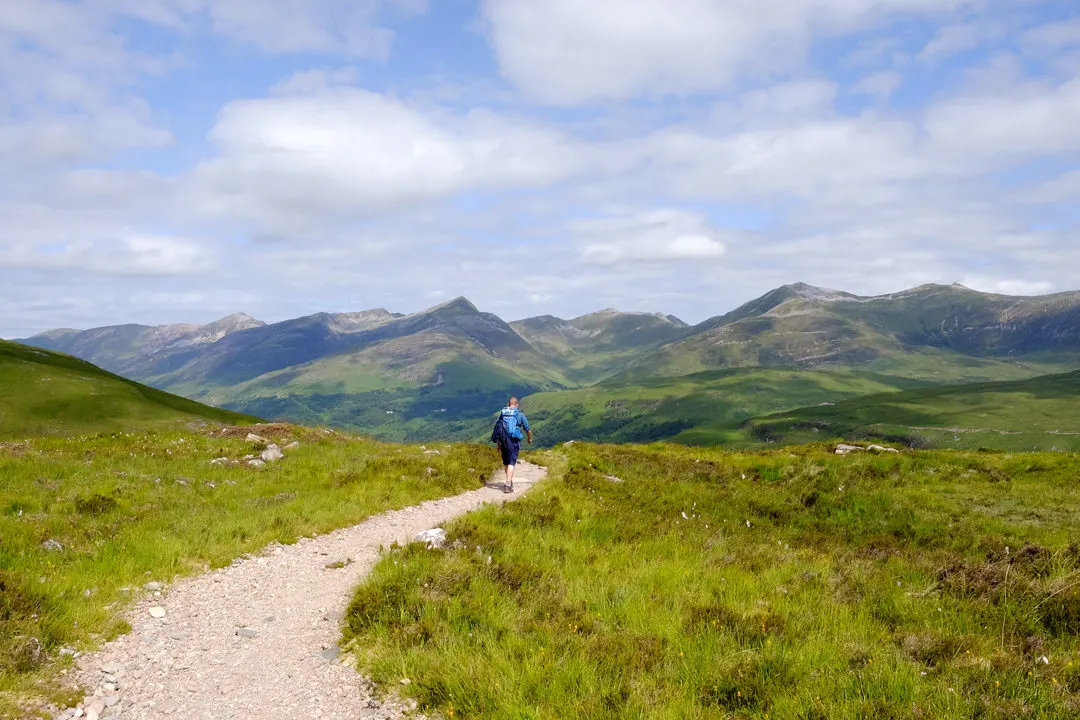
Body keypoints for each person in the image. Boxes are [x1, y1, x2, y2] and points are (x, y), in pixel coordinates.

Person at [492, 397, 532, 493]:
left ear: (508, 404)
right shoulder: (520, 415)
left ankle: (509, 481)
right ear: (516, 404)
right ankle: (508, 484)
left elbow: (498, 429)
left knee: (506, 462)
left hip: (503, 441)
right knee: (511, 462)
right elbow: (527, 429)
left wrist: (498, 444)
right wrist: (529, 438)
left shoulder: (502, 414)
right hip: (514, 441)